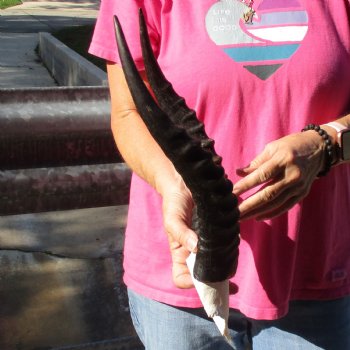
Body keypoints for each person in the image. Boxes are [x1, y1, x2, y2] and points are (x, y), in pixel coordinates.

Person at [89, 1, 350, 349]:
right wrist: (173, 185)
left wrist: (326, 145)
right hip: (183, 274)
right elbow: (127, 112)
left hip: (314, 275)